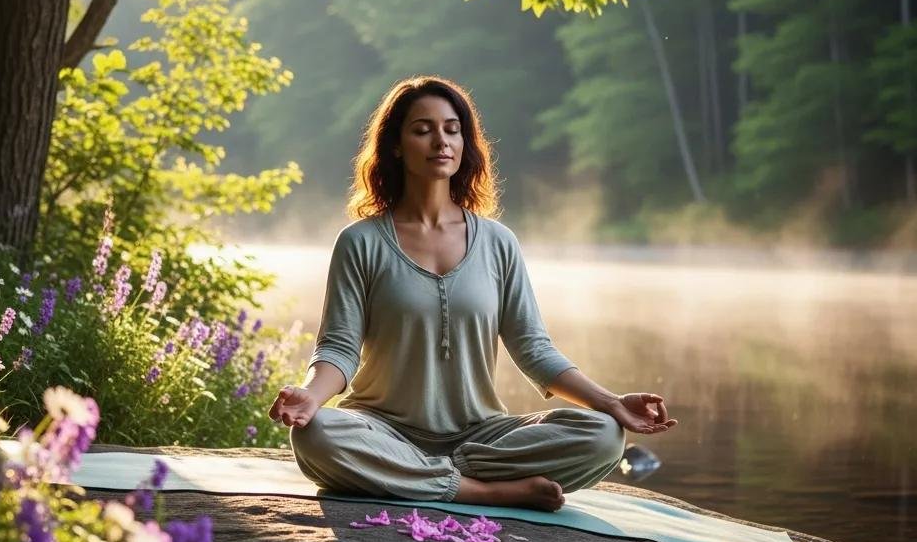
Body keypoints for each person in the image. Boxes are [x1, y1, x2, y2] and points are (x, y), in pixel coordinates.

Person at [268, 76, 678, 512]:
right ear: (395, 146)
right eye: (422, 130)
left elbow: (534, 349)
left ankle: (422, 475)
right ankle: (483, 491)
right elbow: (339, 347)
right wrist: (311, 396)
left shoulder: (499, 243)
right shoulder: (361, 241)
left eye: (452, 129)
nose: (440, 141)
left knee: (604, 436)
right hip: (382, 429)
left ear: (465, 142)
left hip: (480, 436)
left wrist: (612, 403)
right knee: (316, 434)